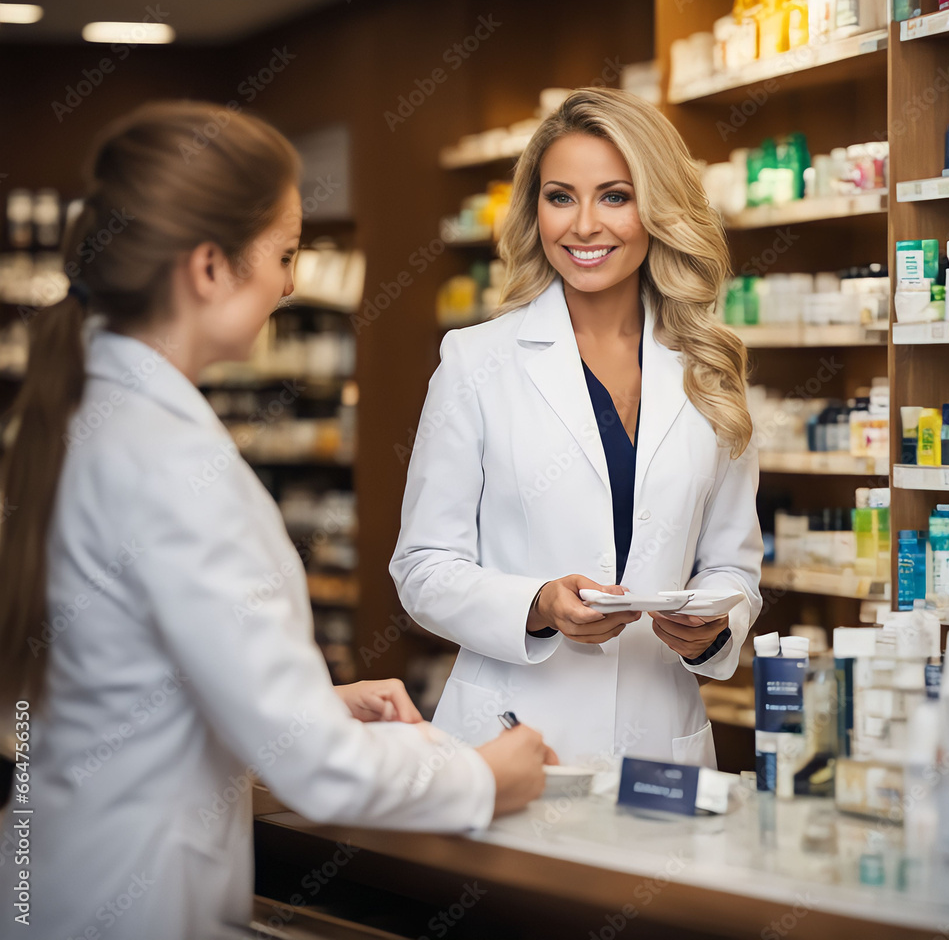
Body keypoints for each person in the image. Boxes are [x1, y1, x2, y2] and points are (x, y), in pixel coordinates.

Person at [0, 102, 553, 940]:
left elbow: (126, 677)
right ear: (209, 267)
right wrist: (483, 779)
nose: (292, 284)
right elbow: (317, 774)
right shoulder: (171, 462)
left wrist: (309, 703)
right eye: (285, 254)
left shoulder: (91, 412)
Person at [391, 87, 763, 769]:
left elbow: (734, 566)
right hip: (514, 736)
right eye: (561, 196)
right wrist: (536, 603)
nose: (584, 225)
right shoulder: (476, 362)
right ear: (534, 211)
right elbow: (421, 569)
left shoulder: (712, 368)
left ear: (658, 208)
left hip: (660, 744)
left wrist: (714, 628)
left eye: (615, 196)